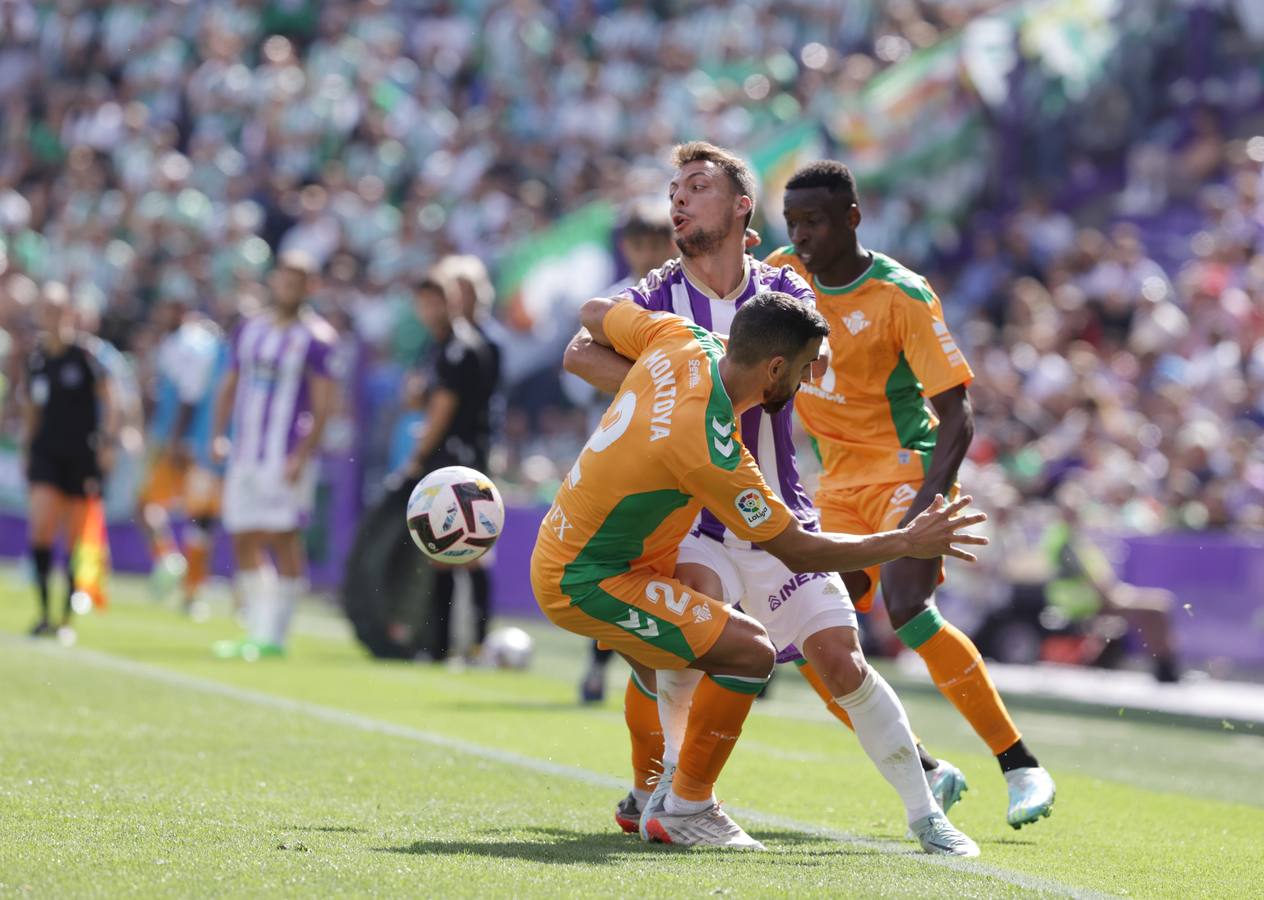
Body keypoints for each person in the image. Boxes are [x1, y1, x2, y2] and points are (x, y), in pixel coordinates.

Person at [558, 142, 983, 855]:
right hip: (690, 520)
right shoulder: (659, 291)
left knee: (843, 661)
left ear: (741, 207)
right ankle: (675, 794)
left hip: (779, 507)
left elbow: (823, 372)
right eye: (675, 190)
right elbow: (578, 349)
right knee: (686, 657)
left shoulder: (784, 291)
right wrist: (678, 404)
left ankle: (927, 815)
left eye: (698, 186)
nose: (680, 200)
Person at [763, 159, 1056, 829]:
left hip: (903, 470)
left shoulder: (902, 295)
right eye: (794, 222)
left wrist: (928, 503)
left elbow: (957, 414)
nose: (803, 235)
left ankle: (1020, 765)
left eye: (815, 221)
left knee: (907, 608)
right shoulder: (784, 273)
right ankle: (925, 768)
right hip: (834, 485)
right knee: (806, 630)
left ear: (852, 219)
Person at [574, 199, 677, 703]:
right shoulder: (614, 305)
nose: (649, 252)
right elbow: (579, 371)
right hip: (627, 447)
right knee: (617, 560)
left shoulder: (683, 297)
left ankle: (737, 658)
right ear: (626, 247)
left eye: (658, 242)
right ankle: (597, 666)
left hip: (683, 447)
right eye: (640, 243)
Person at [210, 251, 336, 660]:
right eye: (284, 277)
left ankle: (276, 634)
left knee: (283, 536)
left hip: (284, 454)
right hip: (246, 450)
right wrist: (217, 433)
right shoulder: (250, 329)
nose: (289, 285)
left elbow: (322, 405)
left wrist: (303, 453)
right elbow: (230, 384)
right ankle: (256, 628)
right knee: (243, 533)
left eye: (298, 279)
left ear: (310, 286)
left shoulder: (316, 338)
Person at [397, 273, 499, 662]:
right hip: (448, 458)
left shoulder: (462, 347)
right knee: (440, 550)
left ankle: (475, 643)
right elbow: (418, 398)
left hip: (462, 460)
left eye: (436, 300)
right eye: (423, 303)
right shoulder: (435, 347)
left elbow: (443, 407)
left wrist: (417, 456)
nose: (429, 310)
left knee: (470, 550)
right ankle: (443, 645)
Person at [19, 283, 116, 642]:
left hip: (81, 456)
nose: (52, 317)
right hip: (47, 453)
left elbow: (109, 398)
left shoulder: (85, 356)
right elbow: (31, 408)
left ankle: (65, 619)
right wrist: (28, 448)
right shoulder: (37, 359)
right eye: (46, 310)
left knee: (75, 537)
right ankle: (44, 612)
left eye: (57, 310)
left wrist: (107, 442)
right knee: (41, 527)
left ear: (69, 315)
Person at [137, 299, 227, 616]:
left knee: (154, 506)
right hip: (202, 442)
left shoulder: (187, 343)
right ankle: (191, 590)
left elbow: (190, 393)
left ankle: (171, 562)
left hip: (187, 442)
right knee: (198, 521)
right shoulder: (207, 344)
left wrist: (176, 439)